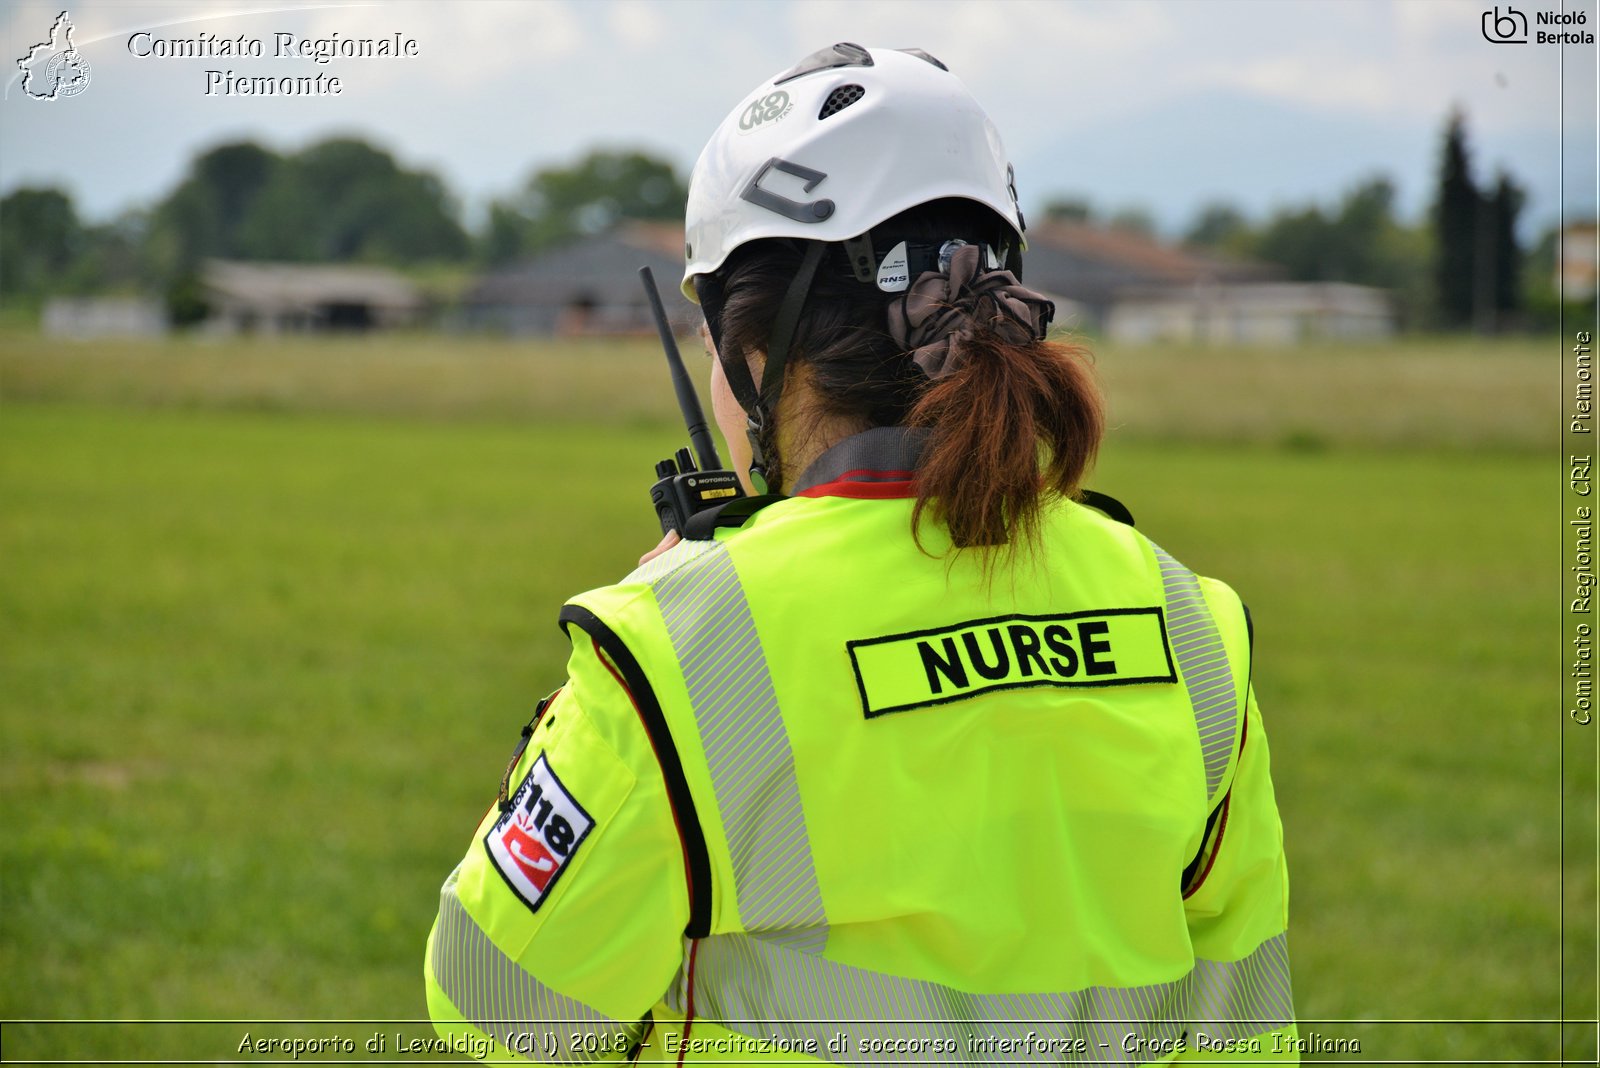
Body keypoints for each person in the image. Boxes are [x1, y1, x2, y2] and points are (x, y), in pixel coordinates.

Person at [424, 43, 1296, 1065]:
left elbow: (497, 1005)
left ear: (756, 348)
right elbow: (1244, 1029)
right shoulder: (1190, 619)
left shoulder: (677, 645)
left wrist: (610, 682)